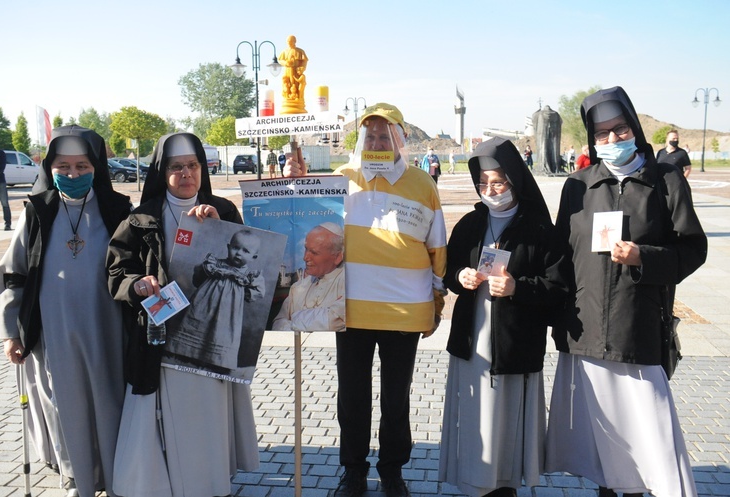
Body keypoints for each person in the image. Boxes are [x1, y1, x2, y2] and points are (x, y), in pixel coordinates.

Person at [545, 86, 707, 497]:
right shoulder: (579, 185)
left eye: (619, 130)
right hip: (585, 332)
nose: (612, 140)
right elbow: (561, 256)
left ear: (634, 128)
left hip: (636, 329)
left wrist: (644, 257)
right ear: (591, 139)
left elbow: (693, 248)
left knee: (644, 440)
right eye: (602, 134)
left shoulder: (664, 180)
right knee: (601, 444)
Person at [284, 103, 447, 497]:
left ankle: (392, 470)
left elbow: (437, 247)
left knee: (397, 396)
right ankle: (353, 471)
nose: (376, 142)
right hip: (351, 309)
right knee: (352, 395)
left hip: (405, 313)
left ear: (400, 140)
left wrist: (437, 301)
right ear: (361, 140)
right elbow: (302, 208)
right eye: (369, 135)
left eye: (384, 135)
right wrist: (298, 180)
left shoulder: (423, 183)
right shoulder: (343, 178)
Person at [106, 132, 259, 497]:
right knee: (163, 414)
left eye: (193, 166)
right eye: (177, 167)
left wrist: (218, 227)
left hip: (213, 332)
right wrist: (137, 285)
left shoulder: (222, 210)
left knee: (206, 414)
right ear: (163, 171)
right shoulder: (140, 218)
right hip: (161, 336)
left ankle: (209, 483)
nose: (186, 174)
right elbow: (116, 271)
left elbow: (254, 259)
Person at [0, 125, 132, 497]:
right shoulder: (38, 212)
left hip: (108, 329)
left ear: (97, 167)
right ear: (49, 167)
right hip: (54, 332)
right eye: (64, 166)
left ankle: (118, 476)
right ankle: (76, 476)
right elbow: (12, 273)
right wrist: (11, 331)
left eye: (82, 166)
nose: (72, 175)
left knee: (110, 401)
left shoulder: (118, 209)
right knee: (63, 404)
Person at [438, 137, 567, 497]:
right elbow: (449, 271)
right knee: (476, 413)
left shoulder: (539, 230)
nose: (490, 190)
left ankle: (504, 483)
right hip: (472, 339)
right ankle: (473, 480)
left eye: (497, 182)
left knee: (507, 419)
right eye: (483, 183)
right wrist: (460, 277)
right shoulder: (470, 224)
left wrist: (518, 289)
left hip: (514, 343)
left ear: (515, 181)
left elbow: (558, 287)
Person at [170, 228, 264, 369]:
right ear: (228, 247)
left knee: (220, 334)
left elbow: (258, 292)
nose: (239, 253)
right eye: (235, 248)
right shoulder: (214, 264)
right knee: (196, 326)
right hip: (203, 305)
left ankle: (214, 362)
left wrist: (241, 291)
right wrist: (203, 270)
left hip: (228, 313)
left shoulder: (249, 276)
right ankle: (186, 355)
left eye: (246, 251)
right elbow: (197, 280)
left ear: (254, 257)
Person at [272, 222, 345, 332]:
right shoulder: (298, 288)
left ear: (337, 257)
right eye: (306, 249)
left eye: (314, 253)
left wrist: (294, 319)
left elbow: (334, 322)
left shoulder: (349, 284)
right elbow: (278, 323)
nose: (305, 258)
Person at [278, 35, 308, 101]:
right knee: (287, 84)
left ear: (295, 41)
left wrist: (302, 68)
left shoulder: (300, 51)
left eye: (291, 41)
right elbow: (280, 60)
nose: (289, 43)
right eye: (288, 41)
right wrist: (286, 63)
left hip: (296, 71)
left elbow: (304, 61)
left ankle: (297, 97)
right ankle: (288, 96)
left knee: (296, 85)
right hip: (287, 71)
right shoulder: (284, 51)